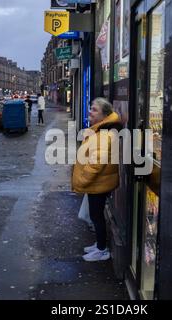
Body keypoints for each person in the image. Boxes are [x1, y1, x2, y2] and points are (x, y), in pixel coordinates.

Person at [72, 98, 123, 262]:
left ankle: (102, 250)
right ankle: (99, 245)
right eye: (91, 108)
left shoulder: (104, 133)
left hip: (98, 183)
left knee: (97, 216)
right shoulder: (102, 129)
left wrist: (83, 180)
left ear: (104, 115)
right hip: (99, 182)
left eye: (94, 110)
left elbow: (96, 163)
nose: (90, 112)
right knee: (96, 215)